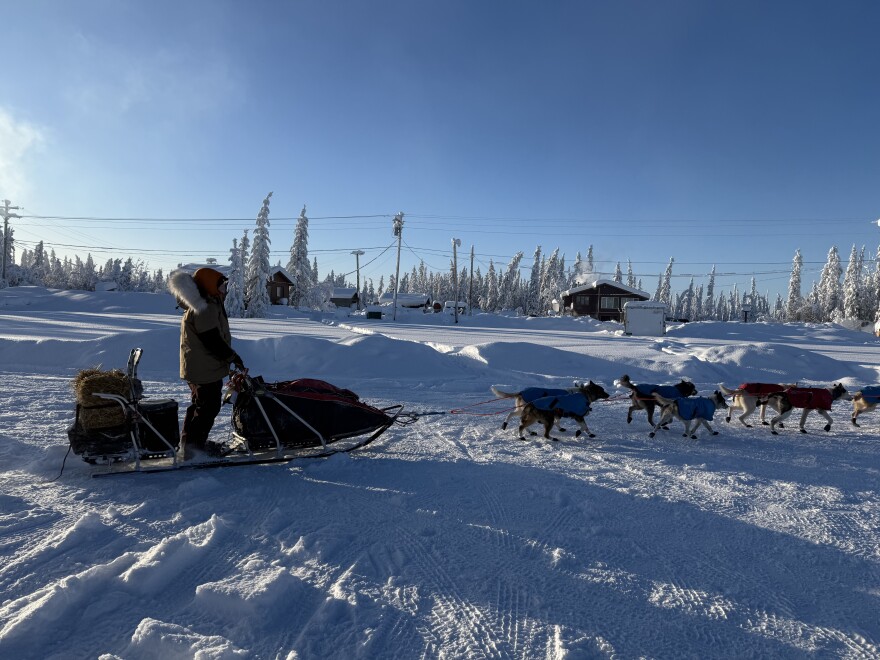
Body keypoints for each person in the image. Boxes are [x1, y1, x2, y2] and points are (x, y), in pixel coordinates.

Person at [169, 267, 244, 458]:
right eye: (222, 286)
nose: (224, 291)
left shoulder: (206, 303)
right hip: (203, 368)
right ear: (210, 285)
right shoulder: (205, 307)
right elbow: (212, 340)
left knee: (200, 405)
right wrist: (232, 357)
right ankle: (194, 449)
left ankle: (190, 445)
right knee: (208, 406)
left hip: (200, 366)